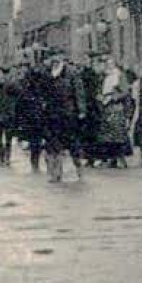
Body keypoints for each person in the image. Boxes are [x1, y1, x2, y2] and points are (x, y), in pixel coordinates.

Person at [40, 49, 89, 183]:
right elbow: (43, 92)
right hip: (52, 114)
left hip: (69, 113)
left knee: (73, 143)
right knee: (54, 144)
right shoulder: (47, 73)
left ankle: (80, 171)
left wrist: (81, 110)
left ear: (62, 57)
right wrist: (43, 105)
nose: (55, 60)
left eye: (57, 57)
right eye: (52, 57)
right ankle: (56, 173)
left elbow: (79, 92)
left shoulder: (71, 72)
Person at [96, 58, 134, 168]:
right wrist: (100, 97)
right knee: (107, 135)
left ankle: (120, 158)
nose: (109, 66)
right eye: (107, 64)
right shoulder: (104, 76)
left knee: (118, 135)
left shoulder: (120, 76)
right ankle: (110, 158)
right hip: (105, 107)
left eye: (111, 64)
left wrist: (113, 97)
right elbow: (99, 89)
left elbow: (125, 91)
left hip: (117, 107)